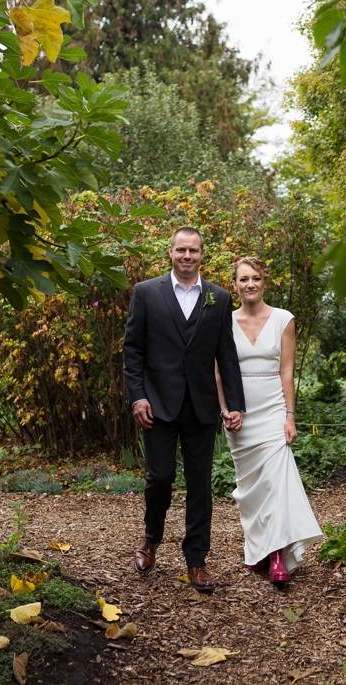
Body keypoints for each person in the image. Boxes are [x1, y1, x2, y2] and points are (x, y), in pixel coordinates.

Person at [122, 227, 246, 594]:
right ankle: (150, 538)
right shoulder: (146, 293)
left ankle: (196, 560)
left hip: (202, 407)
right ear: (171, 253)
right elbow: (133, 350)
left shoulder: (219, 298)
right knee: (159, 477)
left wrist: (235, 405)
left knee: (200, 485)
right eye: (181, 250)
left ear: (202, 255)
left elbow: (227, 355)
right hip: (157, 404)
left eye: (193, 251)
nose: (187, 256)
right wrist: (137, 396)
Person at [219, 257, 324, 585]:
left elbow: (287, 371)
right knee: (251, 489)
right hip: (240, 413)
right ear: (234, 284)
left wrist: (290, 415)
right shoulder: (223, 321)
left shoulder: (283, 319)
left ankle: (278, 555)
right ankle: (259, 549)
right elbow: (218, 373)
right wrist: (225, 410)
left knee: (276, 481)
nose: (250, 284)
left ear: (265, 282)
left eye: (256, 279)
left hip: (274, 409)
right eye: (243, 279)